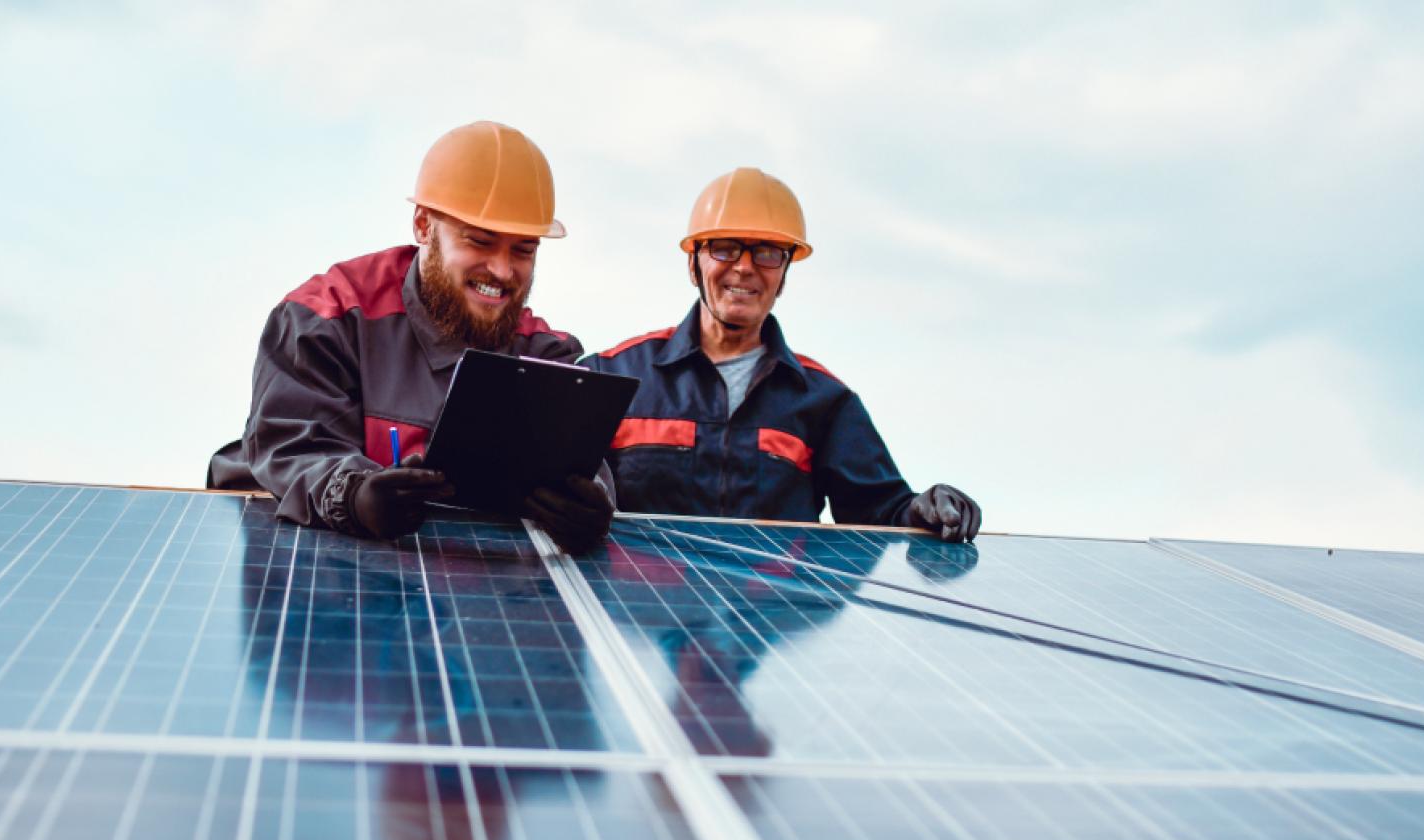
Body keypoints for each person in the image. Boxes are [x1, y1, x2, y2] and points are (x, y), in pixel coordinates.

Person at [206, 120, 615, 553]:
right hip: (315, 577)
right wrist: (353, 496)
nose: (502, 269)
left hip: (473, 603)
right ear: (423, 225)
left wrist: (588, 505)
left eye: (523, 250)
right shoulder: (327, 316)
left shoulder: (547, 359)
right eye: (479, 241)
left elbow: (584, 470)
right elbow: (290, 446)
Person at [582, 167, 980, 541]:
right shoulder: (614, 377)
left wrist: (921, 511)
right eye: (724, 249)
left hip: (771, 614)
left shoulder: (824, 401)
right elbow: (557, 491)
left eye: (767, 253)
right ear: (693, 264)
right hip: (637, 614)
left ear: (784, 274)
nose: (744, 267)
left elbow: (879, 515)